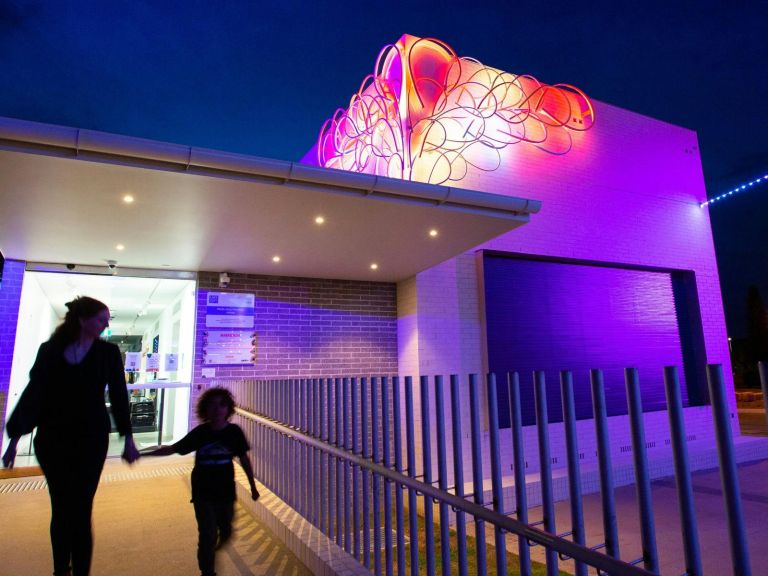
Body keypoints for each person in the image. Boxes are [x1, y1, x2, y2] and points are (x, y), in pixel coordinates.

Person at [2, 295, 139, 576]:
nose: (105, 325)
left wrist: (128, 438)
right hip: (52, 439)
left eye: (106, 320)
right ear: (83, 319)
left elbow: (118, 395)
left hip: (91, 439)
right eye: (101, 319)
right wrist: (14, 440)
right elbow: (35, 394)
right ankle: (60, 569)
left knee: (80, 508)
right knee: (62, 507)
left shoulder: (108, 353)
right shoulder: (49, 350)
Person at [144, 387, 259, 576]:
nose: (217, 409)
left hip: (225, 492)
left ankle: (212, 549)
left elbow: (244, 459)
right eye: (212, 405)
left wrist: (253, 487)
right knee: (207, 534)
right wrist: (144, 454)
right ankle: (207, 571)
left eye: (221, 405)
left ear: (228, 409)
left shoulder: (234, 432)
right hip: (203, 492)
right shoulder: (200, 433)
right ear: (205, 410)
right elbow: (174, 448)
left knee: (227, 530)